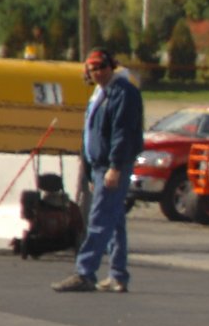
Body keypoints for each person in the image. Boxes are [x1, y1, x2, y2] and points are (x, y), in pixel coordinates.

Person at [53, 49, 144, 293]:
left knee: (99, 220)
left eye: (101, 67)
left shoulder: (123, 93)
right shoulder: (100, 93)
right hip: (100, 166)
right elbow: (90, 132)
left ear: (110, 67)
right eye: (92, 69)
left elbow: (122, 133)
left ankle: (85, 272)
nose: (97, 72)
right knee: (114, 222)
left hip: (113, 165)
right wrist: (91, 168)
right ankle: (118, 274)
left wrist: (114, 166)